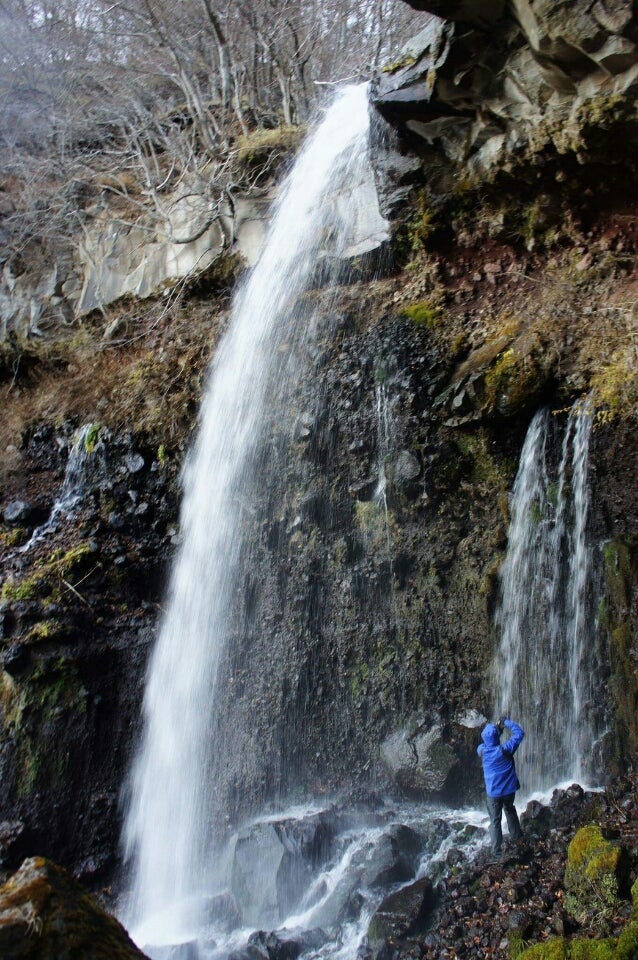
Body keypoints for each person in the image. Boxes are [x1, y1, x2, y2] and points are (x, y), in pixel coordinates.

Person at [477, 716, 524, 860]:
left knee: (495, 821)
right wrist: (506, 723)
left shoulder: (482, 751)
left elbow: (488, 742)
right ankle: (518, 840)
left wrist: (497, 731)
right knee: (510, 810)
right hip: (509, 791)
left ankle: (496, 854)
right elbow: (520, 734)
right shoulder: (506, 749)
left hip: (493, 794)